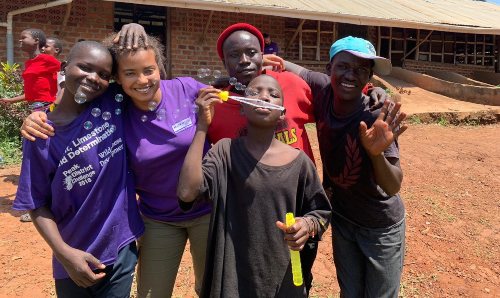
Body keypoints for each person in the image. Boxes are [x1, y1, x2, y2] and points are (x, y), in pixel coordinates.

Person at [21, 28, 212, 297]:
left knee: (212, 287)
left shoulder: (186, 90)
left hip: (206, 210)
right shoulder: (116, 106)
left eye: (149, 70)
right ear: (118, 80)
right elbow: (79, 93)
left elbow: (235, 105)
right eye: (129, 73)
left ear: (160, 67)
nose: (142, 80)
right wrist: (39, 115)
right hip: (158, 218)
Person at [211, 22, 388, 295]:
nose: (244, 60)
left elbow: (340, 97)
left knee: (298, 277)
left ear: (263, 54)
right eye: (234, 55)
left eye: (252, 52)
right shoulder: (218, 105)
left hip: (301, 208)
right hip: (246, 216)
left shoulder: (292, 86)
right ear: (224, 62)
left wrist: (373, 92)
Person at [177, 74, 332, 297]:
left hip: (282, 280)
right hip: (232, 280)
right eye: (254, 92)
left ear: (282, 114)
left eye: (273, 94)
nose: (264, 97)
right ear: (242, 107)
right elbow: (187, 192)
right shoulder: (225, 152)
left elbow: (320, 213)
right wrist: (202, 126)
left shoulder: (300, 164)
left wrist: (306, 225)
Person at [13, 41, 144, 297]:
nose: (93, 78)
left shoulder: (110, 104)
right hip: (71, 255)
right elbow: (36, 203)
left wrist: (136, 30)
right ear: (64, 67)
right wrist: (64, 254)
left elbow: (139, 69)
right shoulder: (42, 133)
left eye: (104, 75)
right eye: (84, 67)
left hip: (119, 247)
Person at [282, 36, 408, 297]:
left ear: (369, 77)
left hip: (380, 225)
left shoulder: (374, 114)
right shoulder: (322, 90)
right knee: (349, 292)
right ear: (329, 69)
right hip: (343, 217)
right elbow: (293, 68)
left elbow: (393, 185)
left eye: (362, 69)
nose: (351, 75)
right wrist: (272, 60)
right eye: (344, 66)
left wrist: (376, 155)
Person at [0, 29, 60, 110]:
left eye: (24, 37)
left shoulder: (47, 59)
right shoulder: (29, 63)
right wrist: (11, 100)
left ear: (36, 41)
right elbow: (31, 93)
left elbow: (67, 69)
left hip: (45, 105)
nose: (20, 40)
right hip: (33, 106)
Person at [42, 36, 66, 106]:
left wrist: (52, 107)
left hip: (51, 106)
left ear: (56, 50)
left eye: (46, 47)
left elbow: (64, 89)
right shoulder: (42, 68)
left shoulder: (60, 68)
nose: (42, 49)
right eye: (42, 46)